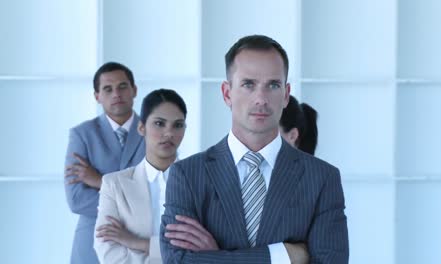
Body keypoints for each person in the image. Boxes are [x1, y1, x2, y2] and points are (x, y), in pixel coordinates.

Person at [160, 35, 349, 263]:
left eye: (273, 85)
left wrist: (216, 256)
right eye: (248, 84)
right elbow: (177, 261)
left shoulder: (321, 178)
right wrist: (283, 256)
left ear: (286, 94)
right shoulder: (187, 175)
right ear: (227, 93)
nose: (261, 98)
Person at [64, 62, 145, 264]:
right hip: (93, 242)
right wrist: (133, 203)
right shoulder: (81, 135)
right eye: (107, 89)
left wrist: (99, 181)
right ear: (97, 96)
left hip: (141, 243)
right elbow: (76, 199)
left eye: (122, 86)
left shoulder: (155, 130)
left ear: (134, 90)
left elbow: (160, 189)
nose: (116, 94)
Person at [94, 89, 187, 263]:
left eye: (178, 125)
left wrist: (135, 242)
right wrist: (169, 254)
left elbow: (200, 251)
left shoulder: (199, 183)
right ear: (141, 127)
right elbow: (107, 252)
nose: (169, 133)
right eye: (159, 123)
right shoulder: (115, 184)